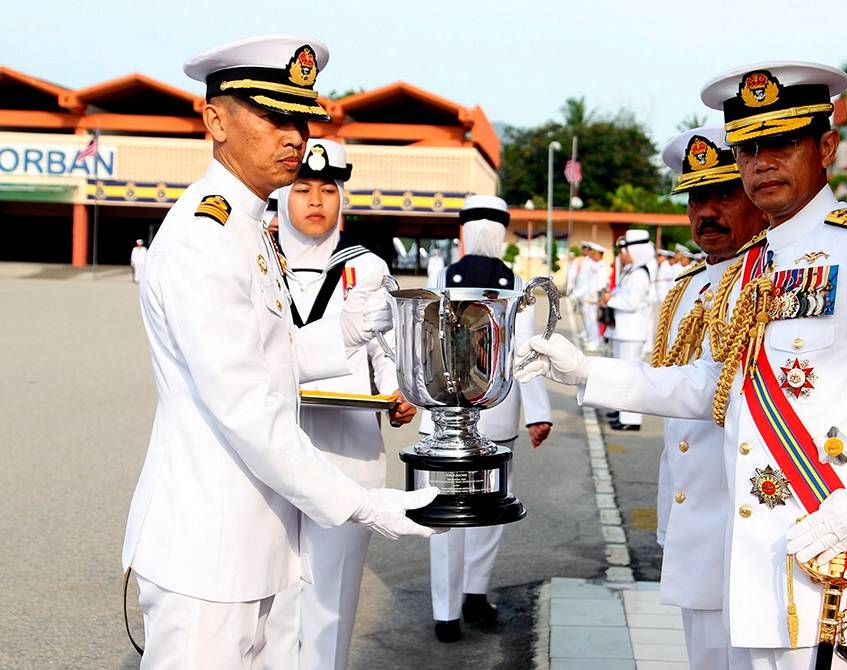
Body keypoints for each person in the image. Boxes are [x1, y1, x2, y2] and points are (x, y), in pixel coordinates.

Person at [516, 61, 847, 669]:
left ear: (825, 147)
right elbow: (713, 386)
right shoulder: (753, 264)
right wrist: (586, 371)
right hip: (751, 570)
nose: (761, 162)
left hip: (828, 565)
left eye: (781, 143)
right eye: (748, 147)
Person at [121, 36, 437, 668]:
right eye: (272, 116)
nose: (293, 136)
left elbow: (270, 354)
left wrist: (344, 333)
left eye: (300, 118)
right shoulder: (205, 238)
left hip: (253, 541)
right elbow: (245, 405)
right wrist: (362, 502)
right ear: (215, 120)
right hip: (206, 553)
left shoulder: (246, 222)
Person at [262, 139, 417, 670]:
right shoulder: (259, 259)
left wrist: (398, 392)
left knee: (331, 594)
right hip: (273, 437)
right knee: (273, 584)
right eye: (302, 188)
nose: (315, 200)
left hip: (348, 438)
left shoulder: (367, 265)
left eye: (328, 190)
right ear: (283, 194)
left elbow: (384, 343)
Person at [649, 126, 769, 669]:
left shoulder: (776, 279)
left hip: (754, 524)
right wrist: (668, 519)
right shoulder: (684, 291)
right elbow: (676, 426)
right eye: (697, 198)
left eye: (724, 194)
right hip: (694, 520)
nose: (707, 212)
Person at [421, 195, 553, 642]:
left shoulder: (441, 276)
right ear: (501, 231)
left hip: (442, 413)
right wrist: (538, 413)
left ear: (464, 230)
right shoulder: (517, 283)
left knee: (443, 514)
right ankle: (476, 593)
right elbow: (525, 352)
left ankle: (446, 613)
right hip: (496, 413)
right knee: (490, 509)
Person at [603, 229, 655, 431]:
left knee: (631, 376)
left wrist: (610, 300)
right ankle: (622, 411)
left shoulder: (640, 275)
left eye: (625, 250)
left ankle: (631, 419)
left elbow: (632, 302)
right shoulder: (631, 272)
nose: (621, 255)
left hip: (632, 333)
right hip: (623, 331)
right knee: (621, 374)